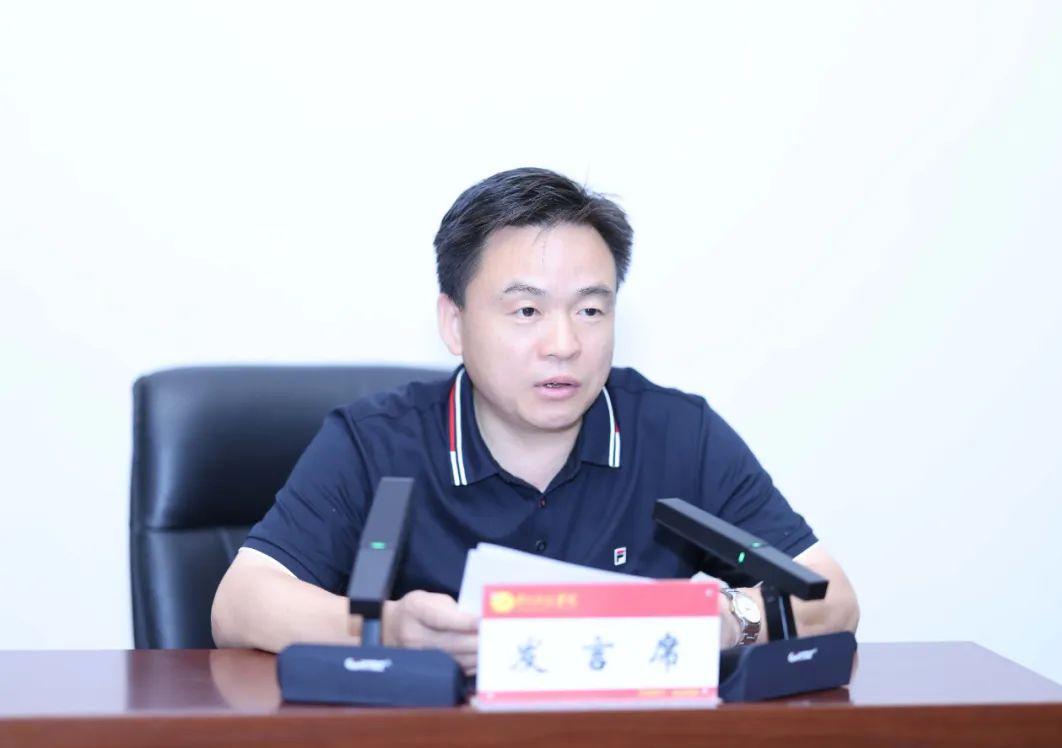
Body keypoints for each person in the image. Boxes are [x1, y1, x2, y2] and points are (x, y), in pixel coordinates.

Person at [211, 168, 859, 672]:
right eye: (526, 312)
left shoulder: (678, 435)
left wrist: (732, 621)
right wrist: (384, 629)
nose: (564, 344)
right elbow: (240, 604)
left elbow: (831, 596)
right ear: (454, 323)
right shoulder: (375, 442)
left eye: (590, 311)